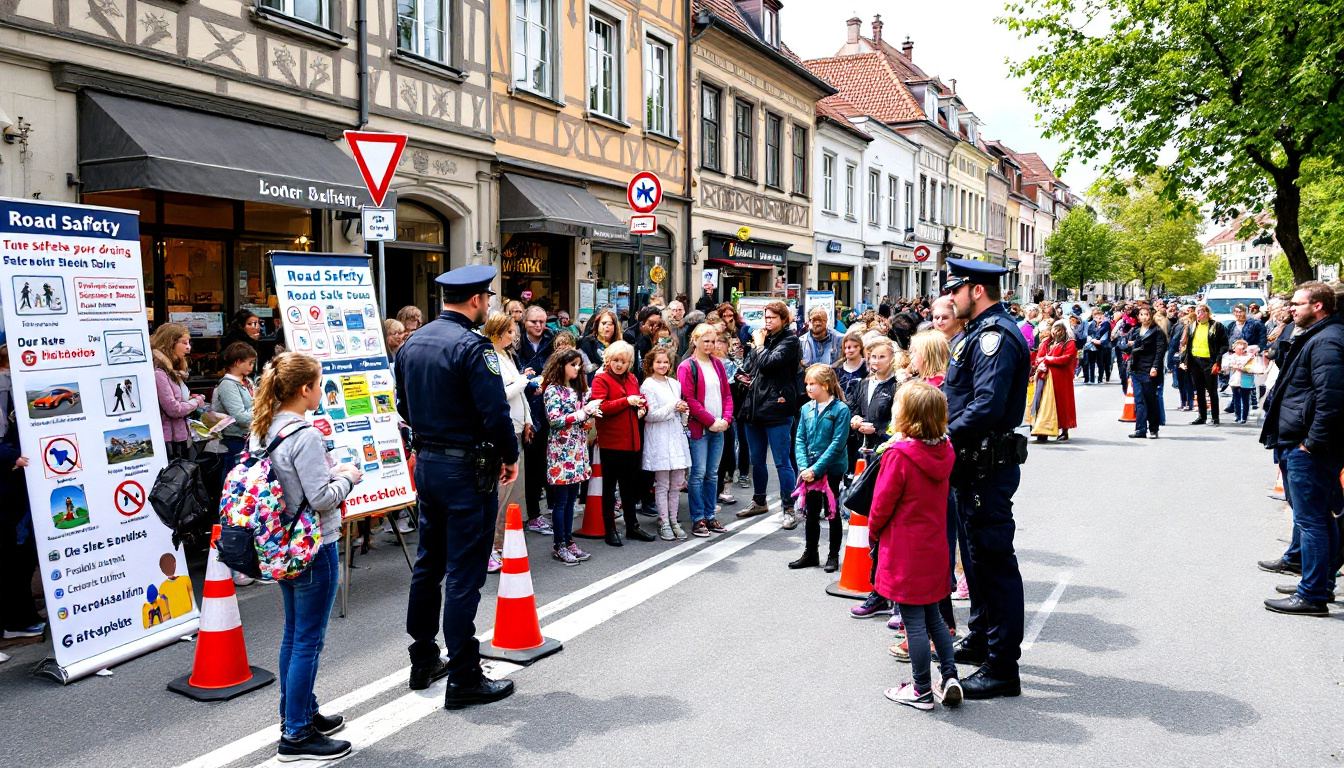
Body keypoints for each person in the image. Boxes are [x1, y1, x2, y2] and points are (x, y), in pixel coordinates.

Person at [397, 265, 519, 709]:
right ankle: (464, 674)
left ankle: (423, 658)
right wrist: (510, 456)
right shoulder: (473, 346)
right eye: (486, 298)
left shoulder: (414, 343)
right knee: (465, 571)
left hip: (428, 464)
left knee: (429, 564)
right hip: (467, 470)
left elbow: (404, 406)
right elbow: (494, 412)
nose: (488, 305)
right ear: (476, 301)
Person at [253, 353, 361, 761]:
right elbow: (320, 498)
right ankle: (296, 735)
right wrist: (347, 477)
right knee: (307, 642)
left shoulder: (264, 427)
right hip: (314, 545)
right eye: (319, 383)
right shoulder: (306, 435)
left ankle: (298, 714)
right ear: (305, 389)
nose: (321, 389)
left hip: (282, 543)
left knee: (294, 635)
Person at [940, 258, 1029, 700]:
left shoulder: (995, 335)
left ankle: (1002, 667)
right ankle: (981, 638)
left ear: (976, 291)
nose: (950, 298)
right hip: (970, 461)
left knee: (993, 562)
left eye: (955, 290)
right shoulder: (978, 333)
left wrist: (939, 434)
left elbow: (987, 406)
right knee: (974, 558)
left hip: (985, 462)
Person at [870, 382, 961, 711]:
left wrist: (873, 533)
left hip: (905, 548)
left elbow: (881, 504)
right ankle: (949, 676)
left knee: (914, 622)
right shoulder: (945, 449)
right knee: (935, 616)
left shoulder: (899, 455)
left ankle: (921, 688)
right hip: (935, 545)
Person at [1259, 281, 1344, 616]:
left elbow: (1332, 399)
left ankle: (1312, 594)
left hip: (1309, 447)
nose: (1291, 309)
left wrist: (1311, 444)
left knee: (1312, 521)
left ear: (1318, 306)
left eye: (1297, 304)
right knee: (1319, 520)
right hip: (1302, 442)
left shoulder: (1327, 340)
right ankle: (1318, 585)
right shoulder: (1317, 335)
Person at [737, 302, 800, 523]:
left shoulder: (790, 340)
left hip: (778, 408)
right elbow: (750, 366)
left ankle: (789, 507)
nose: (768, 321)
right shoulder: (762, 341)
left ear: (784, 320)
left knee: (783, 461)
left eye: (773, 318)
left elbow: (769, 364)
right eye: (766, 317)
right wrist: (742, 375)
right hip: (754, 408)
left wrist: (760, 345)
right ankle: (759, 501)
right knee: (757, 460)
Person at [589, 341, 653, 546]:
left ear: (629, 363)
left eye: (623, 361)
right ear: (608, 359)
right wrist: (627, 402)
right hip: (611, 441)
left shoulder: (633, 378)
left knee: (629, 487)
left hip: (632, 441)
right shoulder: (601, 379)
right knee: (609, 487)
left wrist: (643, 407)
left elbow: (640, 399)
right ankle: (610, 528)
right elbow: (600, 408)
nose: (619, 364)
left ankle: (632, 525)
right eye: (615, 360)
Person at [788, 365, 851, 572]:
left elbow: (837, 444)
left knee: (832, 513)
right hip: (811, 470)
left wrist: (816, 469)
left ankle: (833, 555)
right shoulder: (806, 409)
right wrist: (804, 467)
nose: (808, 387)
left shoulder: (840, 409)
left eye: (812, 383)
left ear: (825, 385)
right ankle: (811, 553)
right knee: (812, 512)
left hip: (831, 469)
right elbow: (799, 439)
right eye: (806, 384)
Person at [483, 313, 533, 574]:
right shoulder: (490, 356)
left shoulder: (505, 356)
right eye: (511, 332)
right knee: (500, 493)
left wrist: (528, 420)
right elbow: (501, 394)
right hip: (504, 431)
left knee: (512, 493)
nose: (514, 336)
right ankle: (490, 547)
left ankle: (500, 544)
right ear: (499, 332)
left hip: (515, 427)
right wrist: (523, 381)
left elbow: (518, 396)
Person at [541, 349, 596, 565]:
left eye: (579, 364)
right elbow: (554, 420)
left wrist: (588, 415)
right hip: (561, 451)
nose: (577, 368)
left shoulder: (575, 389)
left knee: (572, 500)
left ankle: (568, 540)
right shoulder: (553, 390)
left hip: (577, 449)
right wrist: (581, 414)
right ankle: (559, 544)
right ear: (561, 365)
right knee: (562, 501)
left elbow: (576, 418)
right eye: (573, 364)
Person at [679, 325, 733, 537]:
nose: (710, 345)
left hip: (718, 427)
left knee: (712, 474)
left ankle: (710, 516)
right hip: (699, 428)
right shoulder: (687, 366)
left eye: (713, 341)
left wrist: (726, 419)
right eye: (706, 341)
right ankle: (698, 518)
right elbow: (690, 400)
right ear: (695, 341)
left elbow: (727, 395)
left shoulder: (718, 364)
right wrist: (711, 421)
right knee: (698, 474)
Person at [641, 347, 692, 541]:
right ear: (651, 364)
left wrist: (683, 410)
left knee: (677, 483)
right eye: (658, 362)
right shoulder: (647, 385)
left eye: (665, 362)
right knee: (662, 483)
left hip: (676, 435)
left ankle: (674, 520)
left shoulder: (674, 384)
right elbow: (651, 415)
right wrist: (673, 406)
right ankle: (664, 521)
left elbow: (680, 415)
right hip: (659, 437)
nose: (662, 365)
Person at [151, 323, 206, 457]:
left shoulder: (172, 371)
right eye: (183, 342)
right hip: (169, 440)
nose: (188, 347)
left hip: (179, 435)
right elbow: (174, 409)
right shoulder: (159, 372)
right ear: (170, 344)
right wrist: (196, 402)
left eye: (189, 342)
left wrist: (190, 400)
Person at [213, 341, 258, 479]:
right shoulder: (227, 385)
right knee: (235, 480)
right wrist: (262, 414)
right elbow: (239, 416)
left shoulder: (246, 382)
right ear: (238, 362)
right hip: (234, 441)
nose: (252, 366)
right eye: (249, 363)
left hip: (246, 439)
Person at [1180, 303, 1230, 426]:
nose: (1199, 315)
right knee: (1199, 390)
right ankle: (1201, 416)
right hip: (1195, 361)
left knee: (1212, 390)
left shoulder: (1216, 326)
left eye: (1201, 312)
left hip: (1209, 361)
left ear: (1207, 313)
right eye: (1197, 312)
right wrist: (1183, 360)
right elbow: (1185, 345)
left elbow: (1224, 344)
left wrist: (1217, 361)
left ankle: (1215, 417)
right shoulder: (1192, 326)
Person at [1030, 321, 1078, 443]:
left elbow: (1066, 359)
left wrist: (1049, 359)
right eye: (1054, 329)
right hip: (1044, 378)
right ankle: (1042, 430)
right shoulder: (1046, 342)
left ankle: (1064, 430)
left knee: (1062, 404)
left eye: (1059, 330)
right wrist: (1042, 362)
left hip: (1061, 380)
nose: (1055, 332)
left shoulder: (1069, 343)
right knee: (1042, 404)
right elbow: (1038, 359)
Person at [1127, 306, 1168, 439]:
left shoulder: (1157, 331)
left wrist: (1155, 367)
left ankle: (1153, 428)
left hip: (1149, 369)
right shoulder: (1136, 330)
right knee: (1139, 400)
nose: (1144, 317)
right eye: (1141, 314)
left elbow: (1160, 351)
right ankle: (1140, 429)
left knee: (1150, 400)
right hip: (1136, 369)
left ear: (1151, 316)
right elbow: (1129, 346)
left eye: (1146, 314)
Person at [579, 309, 621, 374]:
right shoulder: (588, 344)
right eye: (603, 323)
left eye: (610, 324)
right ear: (597, 325)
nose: (606, 326)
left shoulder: (620, 346)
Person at [831, 332, 869, 404]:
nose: (851, 350)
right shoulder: (836, 369)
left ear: (860, 347)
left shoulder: (868, 367)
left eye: (855, 347)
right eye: (847, 348)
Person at [1224, 340, 1255, 425]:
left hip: (1246, 380)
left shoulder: (1249, 357)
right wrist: (1233, 366)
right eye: (1239, 345)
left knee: (1246, 399)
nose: (1241, 347)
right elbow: (1225, 367)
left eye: (1243, 346)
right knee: (1236, 399)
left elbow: (1252, 367)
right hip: (1235, 380)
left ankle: (1244, 417)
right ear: (1234, 348)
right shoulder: (1231, 357)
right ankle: (1238, 416)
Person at [1084, 308, 1112, 384]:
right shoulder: (1091, 324)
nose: (1098, 319)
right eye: (1096, 317)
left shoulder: (1105, 324)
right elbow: (1088, 334)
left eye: (1100, 317)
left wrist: (1100, 341)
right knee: (1091, 363)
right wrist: (1093, 340)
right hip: (1092, 346)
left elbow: (1106, 334)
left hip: (1101, 346)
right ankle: (1092, 379)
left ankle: (1100, 379)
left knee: (1101, 363)